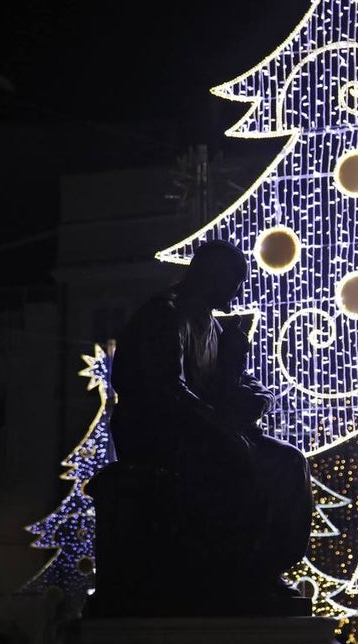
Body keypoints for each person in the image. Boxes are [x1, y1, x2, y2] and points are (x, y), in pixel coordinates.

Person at [108, 239, 312, 603]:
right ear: (211, 276)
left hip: (201, 431)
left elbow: (229, 385)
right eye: (234, 281)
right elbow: (164, 390)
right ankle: (237, 573)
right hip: (160, 435)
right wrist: (220, 427)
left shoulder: (213, 326)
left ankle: (267, 567)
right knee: (241, 461)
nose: (237, 291)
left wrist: (254, 390)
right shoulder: (166, 315)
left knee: (289, 461)